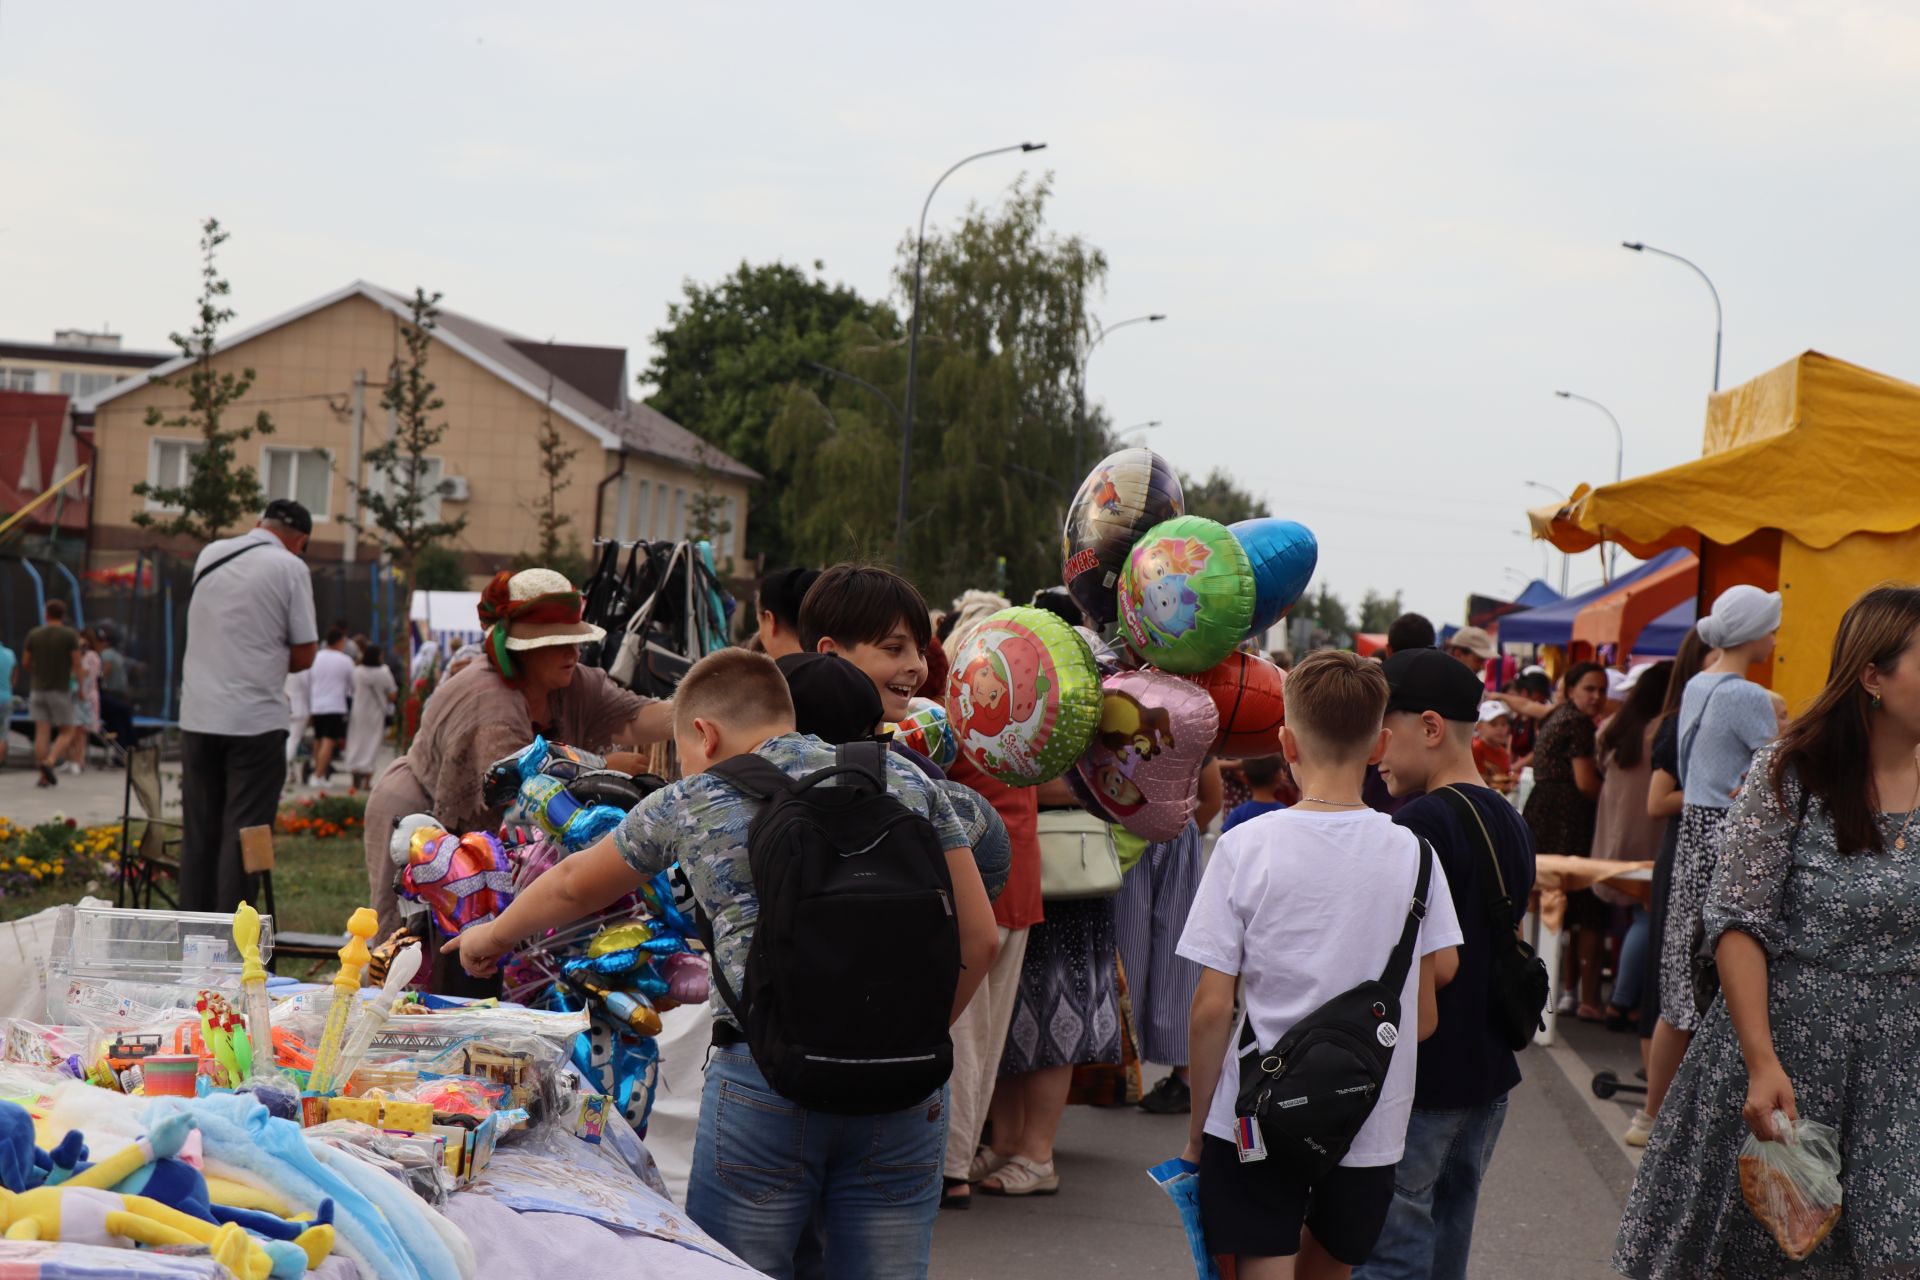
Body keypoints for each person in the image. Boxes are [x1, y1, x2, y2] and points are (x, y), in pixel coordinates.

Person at [449, 648, 997, 1279]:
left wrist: (488, 936)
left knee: (737, 1270)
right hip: (909, 1088)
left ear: (704, 733)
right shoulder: (907, 780)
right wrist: (905, 1036)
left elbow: (573, 885)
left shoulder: (695, 799)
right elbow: (980, 939)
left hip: (766, 1080)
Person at [1614, 585, 1920, 1279]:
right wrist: (1760, 1059)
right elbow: (1738, 921)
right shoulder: (1790, 773)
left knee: (1896, 1250)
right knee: (1771, 1253)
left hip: (1902, 1070)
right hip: (1789, 1055)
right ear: (1873, 675)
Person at [1179, 650, 1463, 1279]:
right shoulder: (1416, 855)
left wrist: (1201, 1130)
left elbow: (1210, 1009)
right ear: (1378, 743)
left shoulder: (1244, 846)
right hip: (1367, 1123)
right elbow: (1420, 1019)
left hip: (1254, 1118)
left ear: (1285, 742)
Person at [363, 567, 673, 942]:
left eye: (575, 641)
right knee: (406, 939)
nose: (574, 652)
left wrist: (713, 707)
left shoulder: (574, 684)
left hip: (485, 834)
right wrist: (603, 768)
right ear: (523, 649)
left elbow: (640, 716)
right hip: (416, 819)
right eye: (559, 643)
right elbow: (515, 793)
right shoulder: (490, 700)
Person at [1356, 648, 1534, 1280]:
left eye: (1385, 727)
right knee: (1446, 1246)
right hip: (1486, 1077)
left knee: (1391, 1251)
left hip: (1426, 1079)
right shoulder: (1509, 820)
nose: (1375, 750)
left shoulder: (1421, 821)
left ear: (1430, 728)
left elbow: (1427, 963)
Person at [1643, 585, 1781, 1134]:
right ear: (1753, 633)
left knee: (1680, 984)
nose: (1775, 635)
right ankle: (1700, 1123)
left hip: (1692, 836)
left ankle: (1653, 1115)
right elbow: (1779, 768)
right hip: (1728, 838)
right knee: (1725, 979)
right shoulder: (1747, 696)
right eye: (1771, 625)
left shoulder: (1699, 685)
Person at [939, 607, 1045, 1211]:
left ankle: (950, 1165)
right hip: (1020, 880)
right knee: (986, 1034)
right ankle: (958, 1160)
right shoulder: (1017, 717)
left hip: (978, 881)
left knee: (963, 1034)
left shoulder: (958, 714)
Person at [178, 500, 318, 912]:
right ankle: (232, 943)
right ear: (301, 541)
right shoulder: (291, 567)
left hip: (198, 717)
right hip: (255, 722)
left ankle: (193, 937)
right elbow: (305, 654)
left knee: (199, 831)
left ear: (258, 523)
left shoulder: (210, 554)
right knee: (246, 836)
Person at [1625, 629, 1712, 1146]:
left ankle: (1664, 1113)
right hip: (1681, 859)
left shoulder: (1698, 717)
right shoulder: (1681, 723)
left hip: (1698, 861)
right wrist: (1723, 791)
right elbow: (1657, 802)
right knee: (1673, 987)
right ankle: (1652, 1114)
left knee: (1684, 988)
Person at [1591, 662, 1675, 1044]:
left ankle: (1621, 998)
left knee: (1633, 917)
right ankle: (1625, 998)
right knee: (1647, 917)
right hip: (1653, 835)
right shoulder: (1663, 729)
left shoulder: (1613, 727)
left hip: (1614, 835)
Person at [1522, 662, 1608, 1019]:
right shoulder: (1577, 723)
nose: (1597, 697)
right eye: (1589, 688)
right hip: (1566, 818)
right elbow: (1586, 783)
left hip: (1544, 811)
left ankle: (1555, 990)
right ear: (1571, 687)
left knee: (1544, 903)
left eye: (1602, 690)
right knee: (1584, 904)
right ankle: (1584, 997)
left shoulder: (1559, 714)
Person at [22, 600, 86, 788]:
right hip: (60, 689)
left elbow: (26, 662)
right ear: (63, 615)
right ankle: (50, 761)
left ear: (46, 614)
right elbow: (77, 663)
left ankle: (43, 776)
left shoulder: (34, 634)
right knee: (67, 730)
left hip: (38, 689)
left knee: (42, 731)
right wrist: (81, 688)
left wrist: (37, 671)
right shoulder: (69, 635)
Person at [344, 645, 397, 790]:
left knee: (356, 741)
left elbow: (350, 690)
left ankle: (354, 772)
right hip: (376, 713)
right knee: (372, 744)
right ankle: (367, 781)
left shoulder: (357, 671)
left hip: (358, 711)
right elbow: (393, 694)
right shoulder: (384, 672)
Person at [307, 628, 355, 783]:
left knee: (318, 739)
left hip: (316, 704)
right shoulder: (345, 660)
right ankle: (319, 776)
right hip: (335, 705)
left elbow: (309, 679)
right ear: (339, 642)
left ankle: (317, 770)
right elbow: (352, 684)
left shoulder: (315, 657)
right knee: (329, 741)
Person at [754, 566, 821, 659]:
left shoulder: (777, 672)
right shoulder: (838, 669)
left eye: (759, 624)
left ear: (770, 619)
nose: (760, 636)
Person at [91, 624, 135, 752]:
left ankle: (125, 748)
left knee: (120, 716)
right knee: (122, 712)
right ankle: (127, 747)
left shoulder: (107, 654)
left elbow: (105, 672)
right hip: (107, 695)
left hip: (111, 694)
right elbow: (105, 672)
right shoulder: (111, 654)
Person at [1222, 755, 1290, 832]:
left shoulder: (1237, 813)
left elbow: (1225, 840)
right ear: (1278, 777)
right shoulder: (1285, 812)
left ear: (1245, 778)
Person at [1471, 702, 1515, 794]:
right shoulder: (1475, 749)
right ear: (1479, 727)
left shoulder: (1504, 754)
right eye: (1493, 724)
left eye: (1503, 724)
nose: (1500, 729)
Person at [0, 636, 15, 767]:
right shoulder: (9, 653)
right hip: (6, 696)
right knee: (3, 731)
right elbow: (15, 673)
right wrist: (10, 685)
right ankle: (1, 759)